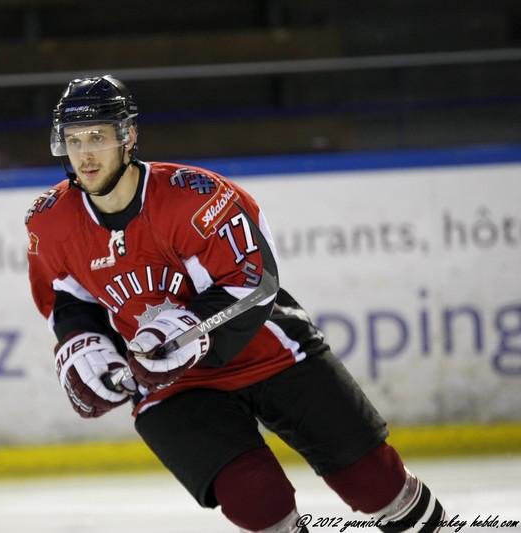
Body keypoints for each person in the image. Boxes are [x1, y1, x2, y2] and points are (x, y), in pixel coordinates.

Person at [25, 75, 445, 533]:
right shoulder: (50, 222)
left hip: (269, 353)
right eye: (73, 140)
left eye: (98, 137)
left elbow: (257, 284)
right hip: (172, 383)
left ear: (128, 136)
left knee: (373, 484)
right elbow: (69, 296)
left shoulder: (195, 197)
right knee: (258, 502)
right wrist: (85, 345)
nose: (85, 154)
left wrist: (192, 329)